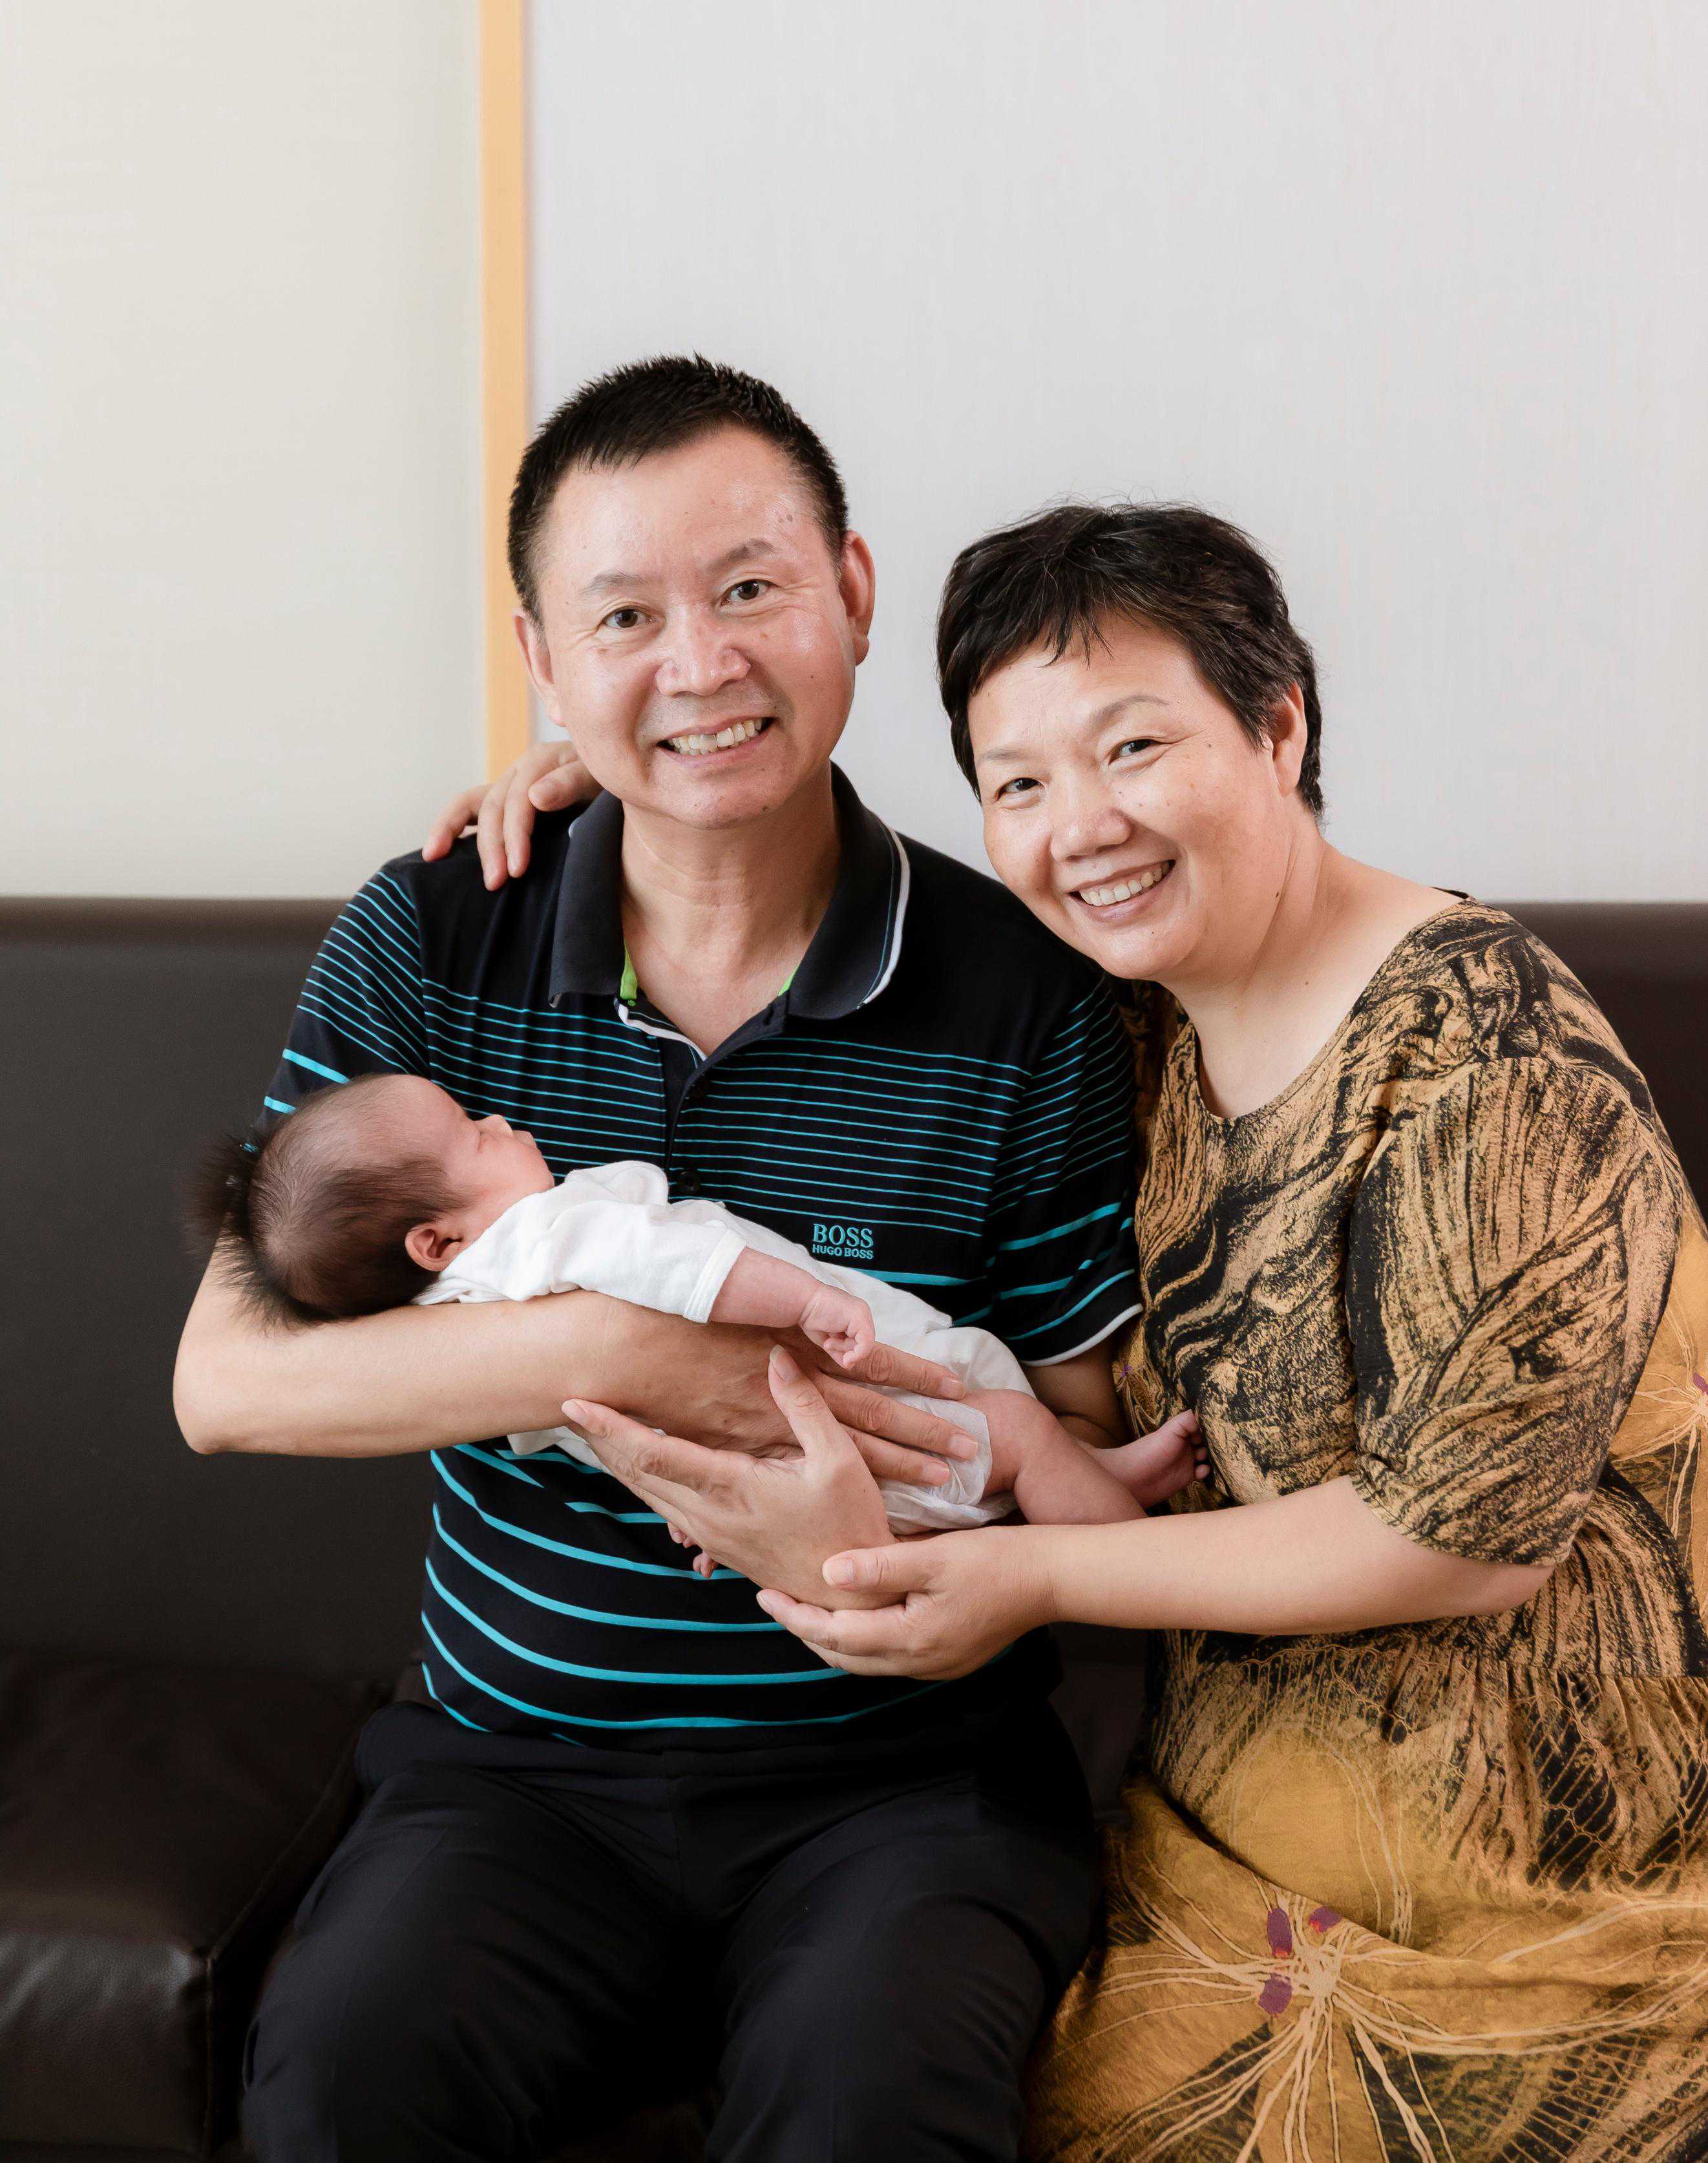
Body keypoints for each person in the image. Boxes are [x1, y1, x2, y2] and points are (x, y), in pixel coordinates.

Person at [514, 501, 1708, 2163]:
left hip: (1521, 1888)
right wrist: (610, 787)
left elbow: (1459, 1539)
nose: (1080, 825)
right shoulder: (1138, 1009)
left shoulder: (1485, 1059)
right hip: (1219, 1848)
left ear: (1277, 722)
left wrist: (1033, 1575)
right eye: (1016, 782)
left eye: (1132, 745)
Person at [174, 357, 1154, 2163]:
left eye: (750, 587)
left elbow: (1079, 1452)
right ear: (543, 659)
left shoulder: (1026, 996)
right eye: (624, 616)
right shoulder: (434, 930)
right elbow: (227, 1380)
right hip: (516, 1769)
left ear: (852, 591)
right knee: (341, 2077)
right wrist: (615, 1350)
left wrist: (872, 1561)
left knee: (870, 2110)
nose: (698, 664)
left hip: (904, 1781)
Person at [191, 1070, 1209, 1534]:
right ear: (437, 1241)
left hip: (792, 1491)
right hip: (860, 1424)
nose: (500, 1119)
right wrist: (806, 1301)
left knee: (1009, 1444)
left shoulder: (452, 1321)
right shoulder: (548, 1237)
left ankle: (1097, 1474)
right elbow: (688, 1268)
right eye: (474, 1132)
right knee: (1015, 1433)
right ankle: (1129, 1545)